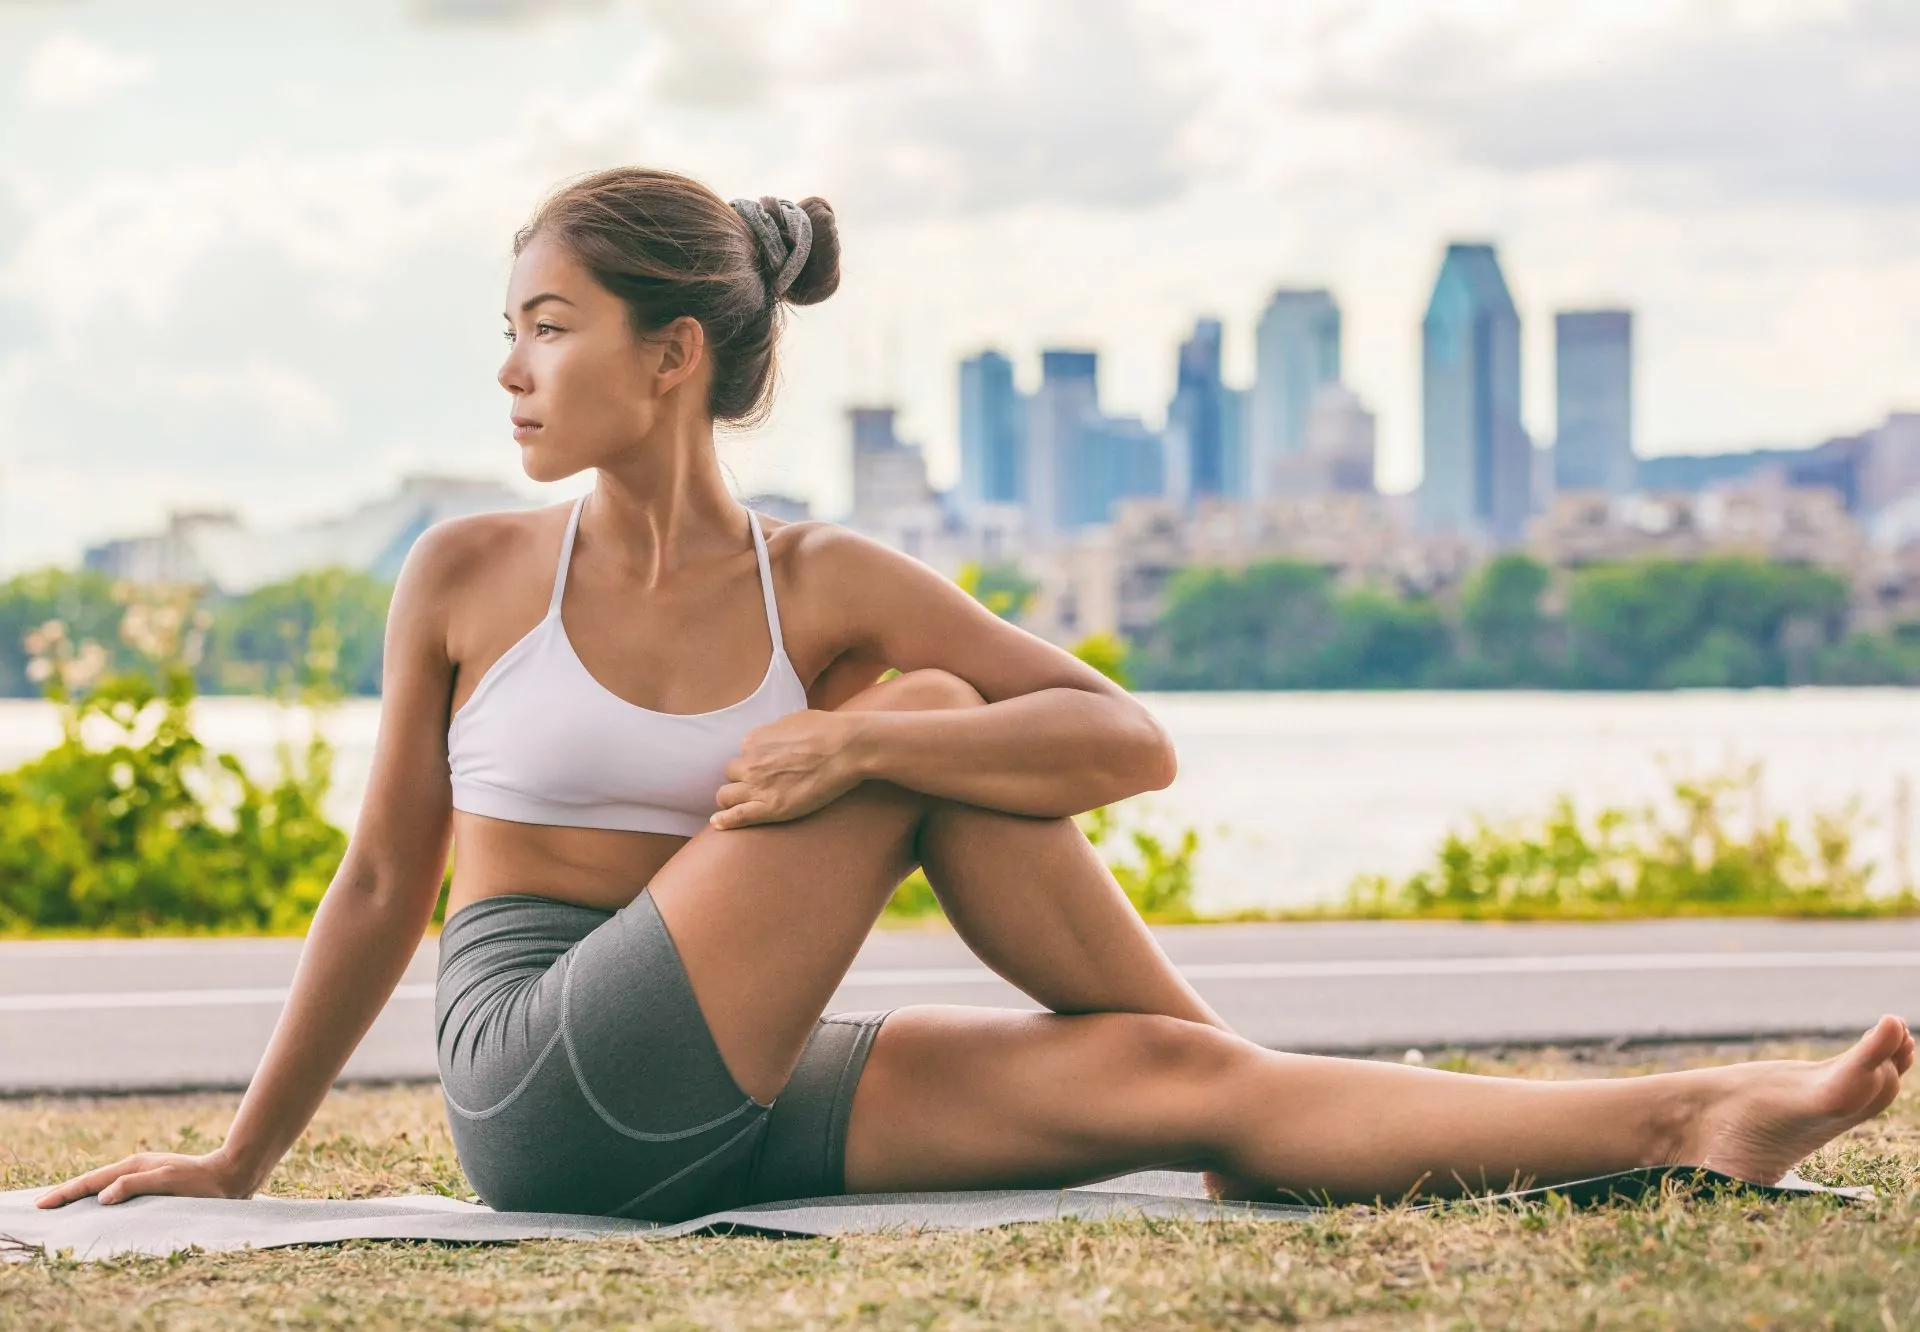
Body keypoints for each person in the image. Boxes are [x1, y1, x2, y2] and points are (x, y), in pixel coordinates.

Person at [36, 167, 1913, 1221]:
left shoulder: (823, 582)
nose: (511, 370)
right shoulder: (466, 570)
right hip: (547, 1081)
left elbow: (1127, 743)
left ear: (672, 357)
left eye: (549, 327)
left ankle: (1686, 1117)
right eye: (510, 329)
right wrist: (240, 1159)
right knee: (936, 706)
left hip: (738, 1082)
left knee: (1164, 1071)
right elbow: (386, 882)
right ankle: (1275, 1100)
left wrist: (865, 731)